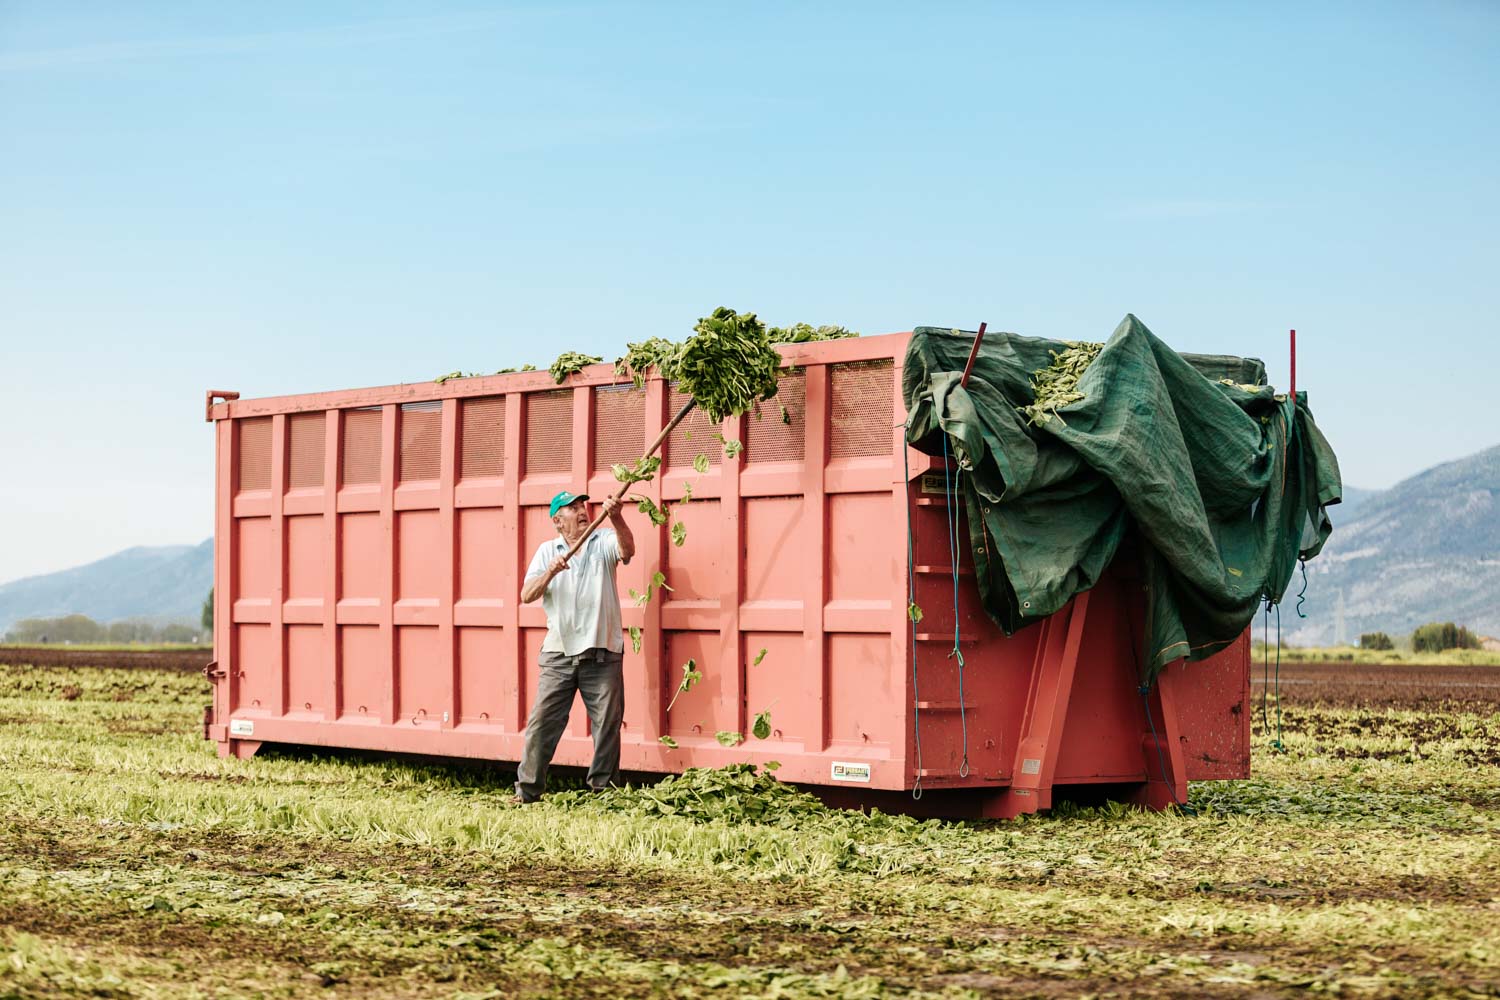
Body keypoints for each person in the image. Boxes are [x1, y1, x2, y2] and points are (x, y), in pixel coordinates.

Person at [511, 490, 635, 803]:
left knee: (607, 725)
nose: (582, 511)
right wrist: (551, 571)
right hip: (558, 653)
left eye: (582, 506)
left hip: (603, 652)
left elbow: (627, 550)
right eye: (572, 508)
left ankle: (603, 793)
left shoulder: (603, 539)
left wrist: (617, 516)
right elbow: (527, 594)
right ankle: (527, 792)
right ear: (557, 521)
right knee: (542, 724)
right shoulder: (546, 551)